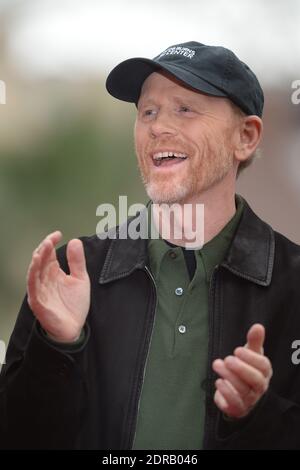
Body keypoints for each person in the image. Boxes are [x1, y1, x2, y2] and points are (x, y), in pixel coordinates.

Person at [1, 41, 300, 450]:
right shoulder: (70, 272)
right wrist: (57, 347)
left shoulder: (294, 285)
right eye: (148, 111)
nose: (157, 127)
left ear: (245, 137)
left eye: (185, 109)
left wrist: (256, 416)